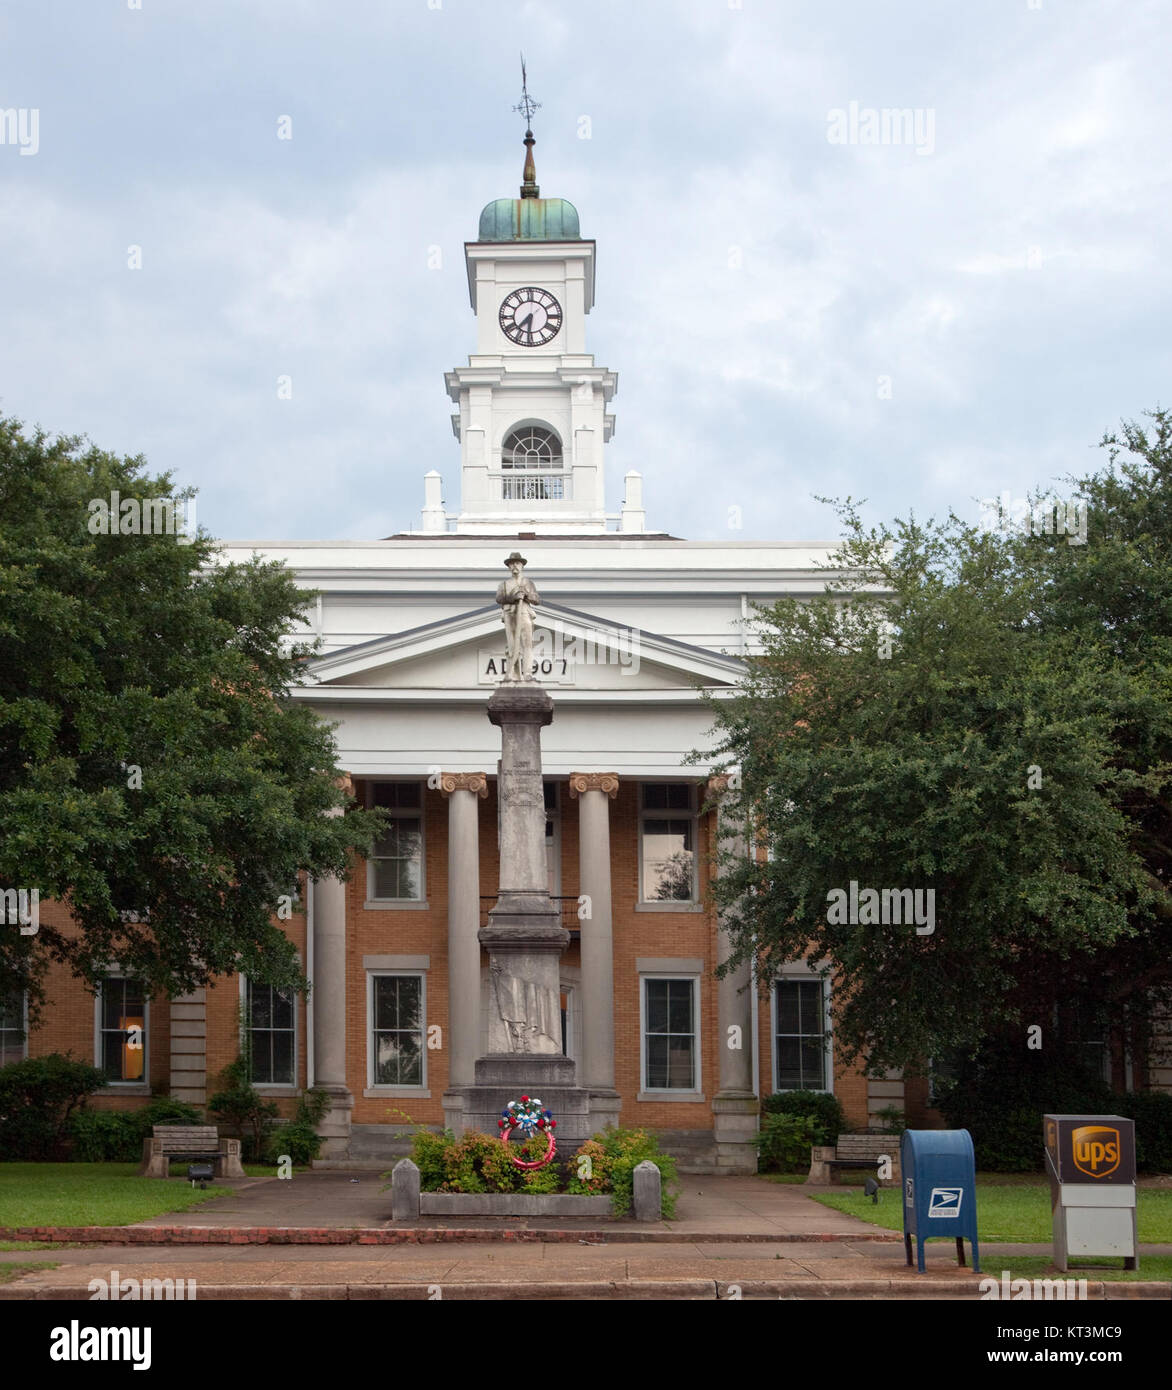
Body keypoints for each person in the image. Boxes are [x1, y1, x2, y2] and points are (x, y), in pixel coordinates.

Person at [495, 551, 541, 681]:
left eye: (517, 563)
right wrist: (513, 597)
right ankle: (513, 673)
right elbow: (499, 598)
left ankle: (527, 673)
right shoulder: (504, 584)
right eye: (512, 564)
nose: (515, 566)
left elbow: (537, 599)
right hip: (510, 614)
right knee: (512, 644)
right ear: (509, 567)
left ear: (522, 566)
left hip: (524, 613)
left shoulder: (528, 583)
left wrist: (526, 595)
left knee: (527, 644)